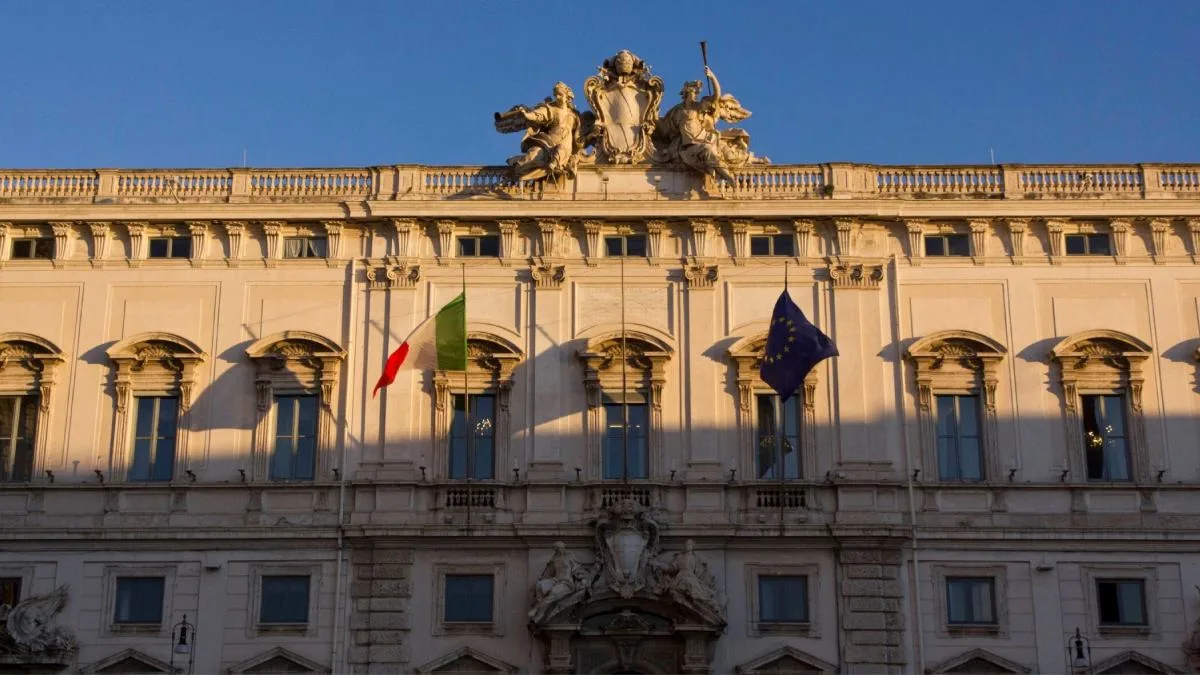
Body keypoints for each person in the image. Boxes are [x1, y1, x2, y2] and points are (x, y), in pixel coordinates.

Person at [494, 82, 583, 184]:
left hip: (565, 145)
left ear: (567, 96)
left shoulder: (574, 115)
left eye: (560, 94)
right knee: (532, 156)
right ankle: (515, 172)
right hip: (548, 143)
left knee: (561, 150)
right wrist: (527, 115)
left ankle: (553, 166)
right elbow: (538, 115)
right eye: (556, 95)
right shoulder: (551, 109)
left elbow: (580, 135)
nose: (557, 97)